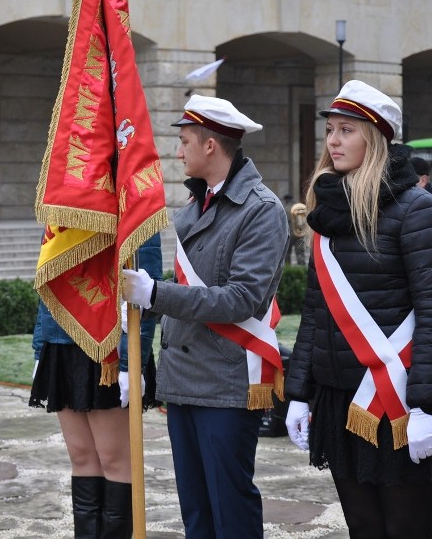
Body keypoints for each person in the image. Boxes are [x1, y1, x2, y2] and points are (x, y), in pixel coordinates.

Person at [284, 80, 432, 538]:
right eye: (330, 130)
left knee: (406, 528)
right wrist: (299, 391)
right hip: (339, 394)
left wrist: (422, 405)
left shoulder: (417, 210)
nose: (333, 141)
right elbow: (316, 310)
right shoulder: (327, 211)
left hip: (398, 395)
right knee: (362, 527)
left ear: (375, 140)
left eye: (346, 130)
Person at [122, 95, 289, 538]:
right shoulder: (195, 206)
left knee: (229, 506)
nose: (178, 152)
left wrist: (156, 293)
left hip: (226, 379)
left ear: (210, 145)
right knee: (195, 510)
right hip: (184, 377)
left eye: (184, 141)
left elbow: (241, 300)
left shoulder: (261, 209)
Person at [29, 234, 162, 539]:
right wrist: (40, 348)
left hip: (110, 349)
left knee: (115, 460)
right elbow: (46, 279)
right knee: (81, 457)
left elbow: (145, 293)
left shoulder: (132, 199)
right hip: (61, 345)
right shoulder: (62, 204)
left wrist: (133, 363)